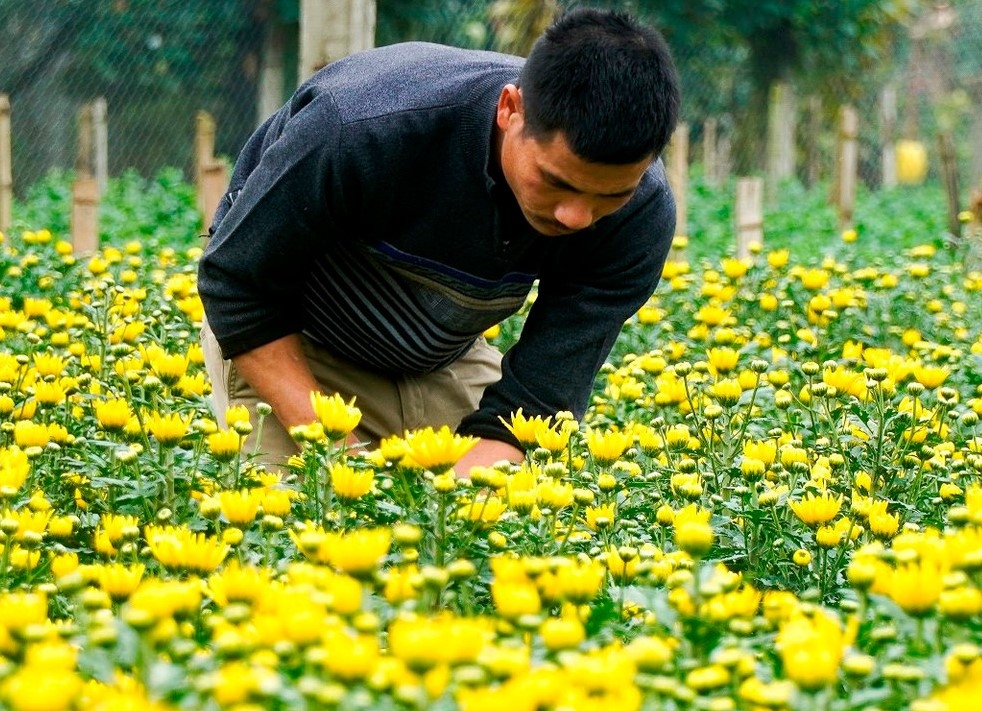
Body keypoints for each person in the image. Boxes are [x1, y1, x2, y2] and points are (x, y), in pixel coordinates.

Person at [197, 7, 680, 475]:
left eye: (610, 195)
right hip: (297, 343)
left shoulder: (641, 214)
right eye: (556, 182)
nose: (576, 217)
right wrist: (339, 459)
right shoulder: (360, 126)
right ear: (510, 109)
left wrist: (458, 499)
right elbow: (238, 285)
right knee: (306, 528)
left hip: (441, 355)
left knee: (489, 530)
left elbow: (537, 396)